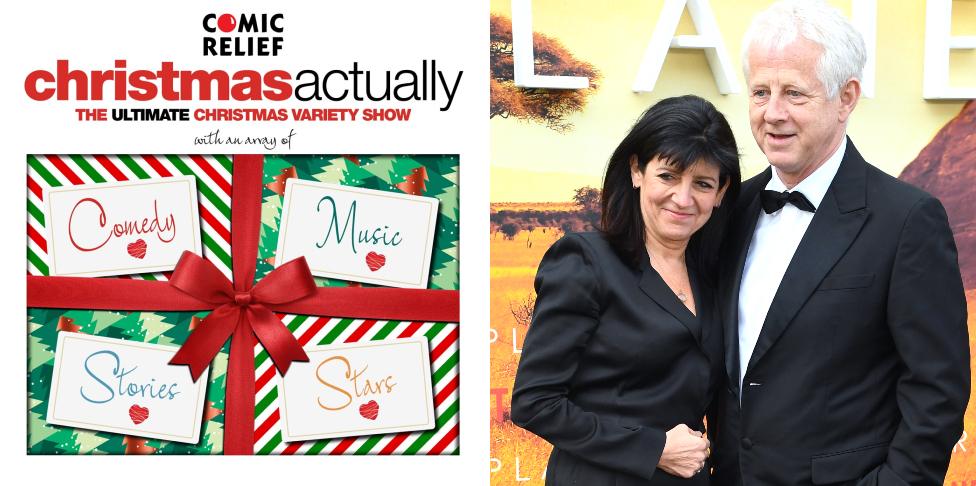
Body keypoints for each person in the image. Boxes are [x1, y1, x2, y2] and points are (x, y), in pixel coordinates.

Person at [710, 2, 970, 485]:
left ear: (846, 98)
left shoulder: (907, 220)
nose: (773, 114)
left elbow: (937, 393)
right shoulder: (733, 208)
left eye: (794, 93)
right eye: (760, 92)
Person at [511, 95, 741, 485]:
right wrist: (653, 448)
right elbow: (535, 403)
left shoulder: (715, 276)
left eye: (702, 184)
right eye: (668, 176)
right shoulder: (584, 262)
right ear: (637, 170)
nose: (683, 199)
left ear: (720, 193)